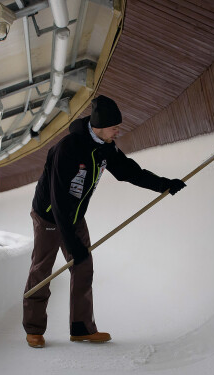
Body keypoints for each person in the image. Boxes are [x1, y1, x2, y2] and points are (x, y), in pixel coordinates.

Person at [23, 95, 186, 348]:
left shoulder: (105, 147)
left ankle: (81, 328)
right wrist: (71, 243)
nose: (118, 130)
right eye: (114, 126)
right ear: (99, 125)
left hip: (74, 215)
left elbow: (129, 172)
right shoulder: (68, 148)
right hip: (49, 216)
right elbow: (57, 201)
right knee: (42, 269)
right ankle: (33, 328)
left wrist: (164, 184)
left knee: (83, 265)